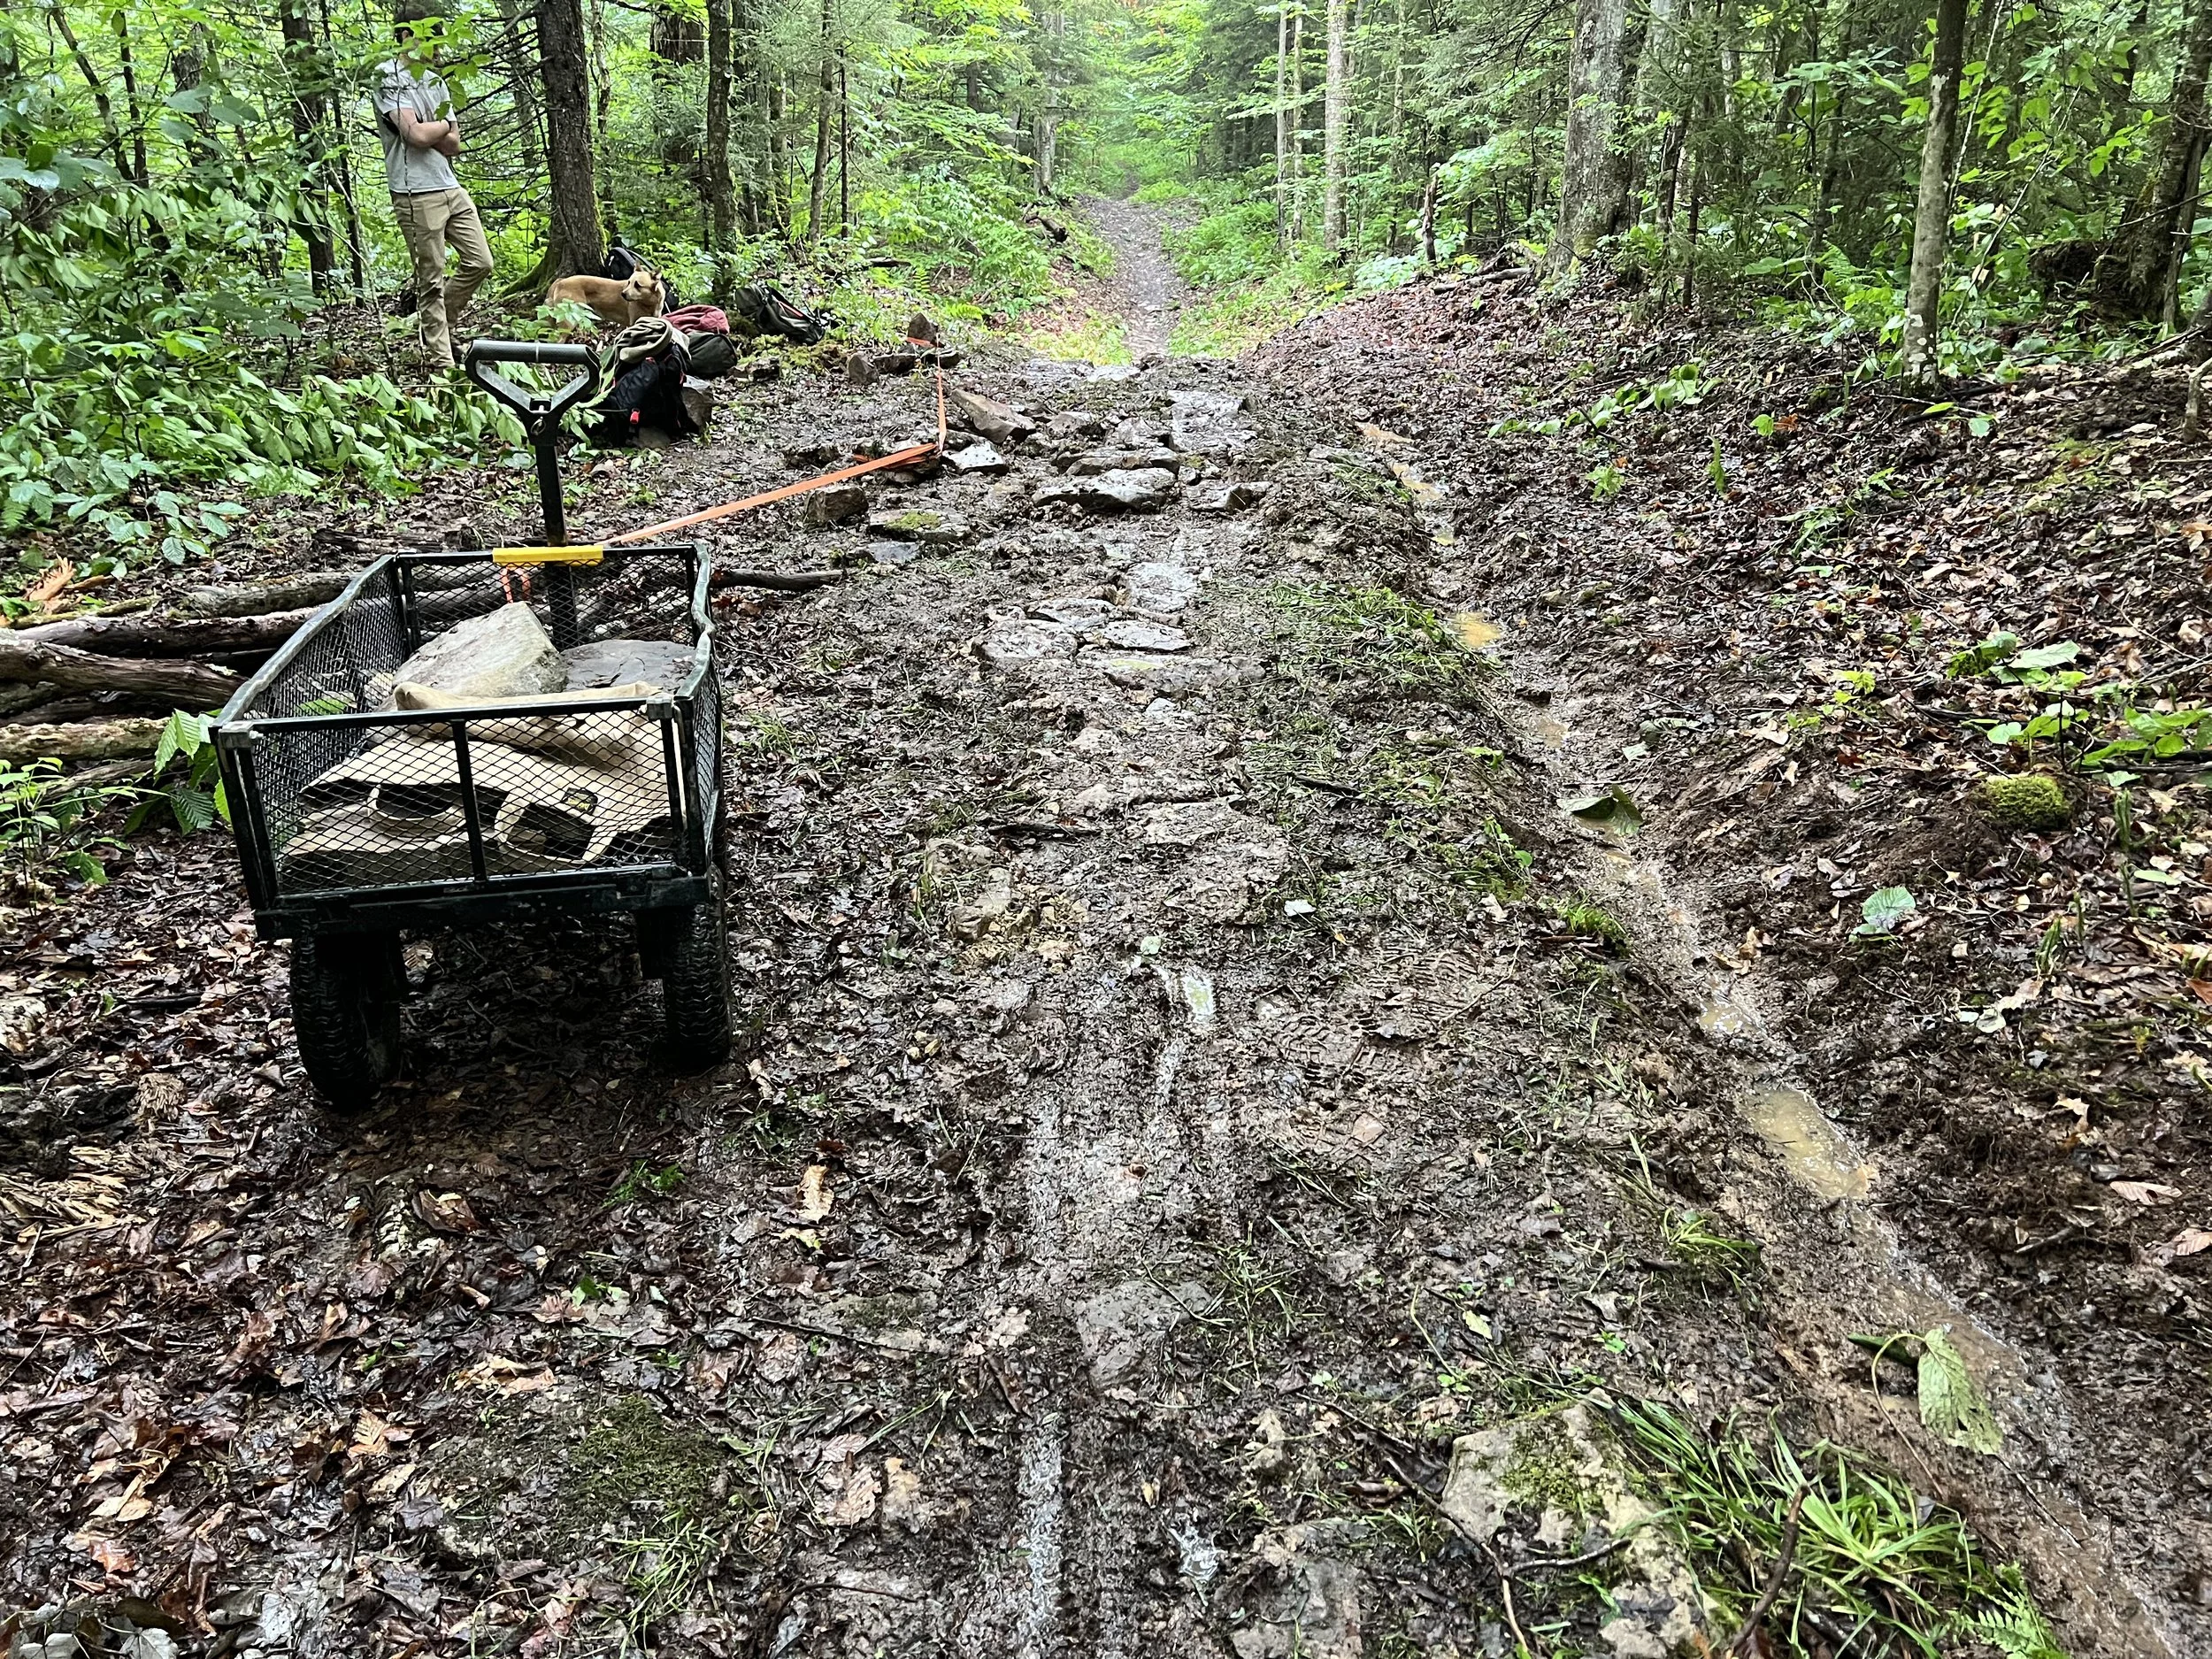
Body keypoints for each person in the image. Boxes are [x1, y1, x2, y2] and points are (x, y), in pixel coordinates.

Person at [373, 0, 493, 370]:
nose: (439, 47)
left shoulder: (435, 82)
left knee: (481, 262)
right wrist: (433, 128)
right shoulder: (388, 77)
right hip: (414, 191)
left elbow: (452, 144)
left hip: (447, 184)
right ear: (408, 35)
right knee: (431, 278)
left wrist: (430, 127)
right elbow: (415, 136)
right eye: (433, 37)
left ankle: (439, 326)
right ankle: (443, 365)